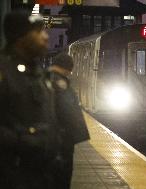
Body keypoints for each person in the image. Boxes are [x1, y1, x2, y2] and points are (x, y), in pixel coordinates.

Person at [0, 11, 60, 189]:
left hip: (41, 175)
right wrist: (23, 139)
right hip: (11, 174)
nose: (45, 37)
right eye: (38, 32)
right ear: (21, 37)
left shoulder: (38, 73)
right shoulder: (4, 72)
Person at [48, 52, 90, 189]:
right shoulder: (59, 83)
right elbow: (66, 111)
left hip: (53, 139)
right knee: (61, 178)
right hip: (61, 141)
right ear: (67, 68)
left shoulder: (45, 79)